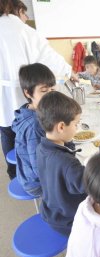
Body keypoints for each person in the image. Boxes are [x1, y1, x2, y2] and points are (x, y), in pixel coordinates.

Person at [0, 0, 75, 179]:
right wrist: (70, 71)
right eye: (25, 14)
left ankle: (15, 172)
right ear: (18, 10)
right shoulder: (24, 31)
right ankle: (36, 175)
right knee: (32, 130)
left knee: (6, 129)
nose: (26, 18)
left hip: (3, 96)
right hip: (25, 91)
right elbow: (49, 56)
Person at [36, 91, 100, 235]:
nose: (77, 128)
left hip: (51, 211)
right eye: (76, 124)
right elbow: (94, 182)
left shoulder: (41, 147)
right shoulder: (67, 163)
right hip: (68, 221)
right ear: (61, 127)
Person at [11, 63, 55, 197]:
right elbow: (39, 169)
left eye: (52, 90)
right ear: (27, 92)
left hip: (26, 173)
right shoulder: (34, 125)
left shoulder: (27, 109)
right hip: (36, 184)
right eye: (44, 90)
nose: (50, 95)